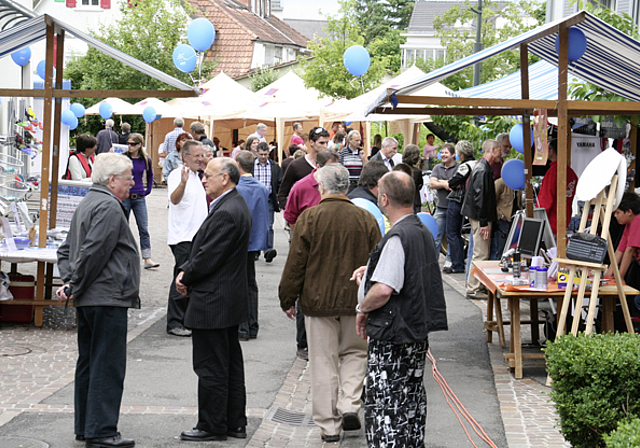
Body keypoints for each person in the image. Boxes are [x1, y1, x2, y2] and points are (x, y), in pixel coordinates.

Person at [279, 164, 381, 443]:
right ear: (346, 188)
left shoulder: (310, 218)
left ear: (321, 188)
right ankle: (349, 403)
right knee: (356, 354)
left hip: (317, 300)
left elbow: (296, 263)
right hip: (356, 300)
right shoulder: (365, 218)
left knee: (323, 361)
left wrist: (287, 298)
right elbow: (378, 260)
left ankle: (329, 426)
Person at [352, 171, 447, 448]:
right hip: (413, 331)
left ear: (383, 199)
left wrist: (362, 307)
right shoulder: (420, 229)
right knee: (410, 404)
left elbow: (384, 289)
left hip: (393, 333)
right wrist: (371, 269)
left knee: (387, 409)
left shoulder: (397, 236)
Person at [56, 153, 140, 448]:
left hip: (95, 296)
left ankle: (87, 426)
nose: (133, 182)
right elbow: (93, 252)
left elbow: (66, 250)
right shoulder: (107, 206)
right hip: (106, 296)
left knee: (90, 362)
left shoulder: (88, 202)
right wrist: (74, 283)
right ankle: (101, 430)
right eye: (129, 177)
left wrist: (70, 282)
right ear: (112, 179)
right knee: (106, 364)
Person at [176, 157, 251, 442]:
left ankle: (212, 424)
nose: (203, 179)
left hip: (215, 300)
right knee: (227, 363)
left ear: (226, 178)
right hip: (224, 298)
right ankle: (233, 421)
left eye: (208, 175)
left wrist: (186, 275)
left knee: (212, 366)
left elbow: (208, 255)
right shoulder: (230, 205)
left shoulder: (228, 210)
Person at [166, 140, 207, 337]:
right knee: (182, 277)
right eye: (197, 156)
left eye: (203, 155)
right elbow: (174, 199)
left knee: (191, 278)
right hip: (183, 237)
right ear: (185, 157)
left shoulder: (199, 176)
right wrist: (182, 183)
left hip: (196, 236)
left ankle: (186, 319)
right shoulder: (177, 175)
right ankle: (174, 322)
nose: (201, 159)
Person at [235, 150, 269, 340]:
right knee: (250, 282)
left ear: (238, 165)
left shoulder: (235, 188)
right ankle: (252, 325)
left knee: (240, 283)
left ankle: (242, 327)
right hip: (254, 241)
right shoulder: (261, 188)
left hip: (238, 240)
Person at [462, 139, 501, 299]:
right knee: (480, 253)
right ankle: (473, 288)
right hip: (480, 218)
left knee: (480, 251)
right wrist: (484, 222)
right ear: (492, 150)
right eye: (499, 150)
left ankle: (475, 286)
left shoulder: (483, 168)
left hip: (479, 216)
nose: (501, 153)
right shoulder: (483, 170)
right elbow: (480, 198)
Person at [121, 133, 158, 269]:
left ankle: (147, 257)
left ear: (139, 145)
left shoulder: (145, 159)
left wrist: (147, 190)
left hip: (139, 197)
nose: (130, 146)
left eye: (133, 144)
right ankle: (122, 256)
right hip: (125, 197)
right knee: (123, 227)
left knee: (143, 227)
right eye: (128, 143)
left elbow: (150, 175)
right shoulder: (124, 157)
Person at [278, 126, 330, 209]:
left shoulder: (330, 165)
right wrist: (293, 215)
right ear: (311, 142)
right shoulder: (296, 165)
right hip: (303, 217)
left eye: (327, 143)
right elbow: (282, 195)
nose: (325, 146)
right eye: (321, 143)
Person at [284, 149, 339, 229]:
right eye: (330, 168)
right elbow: (291, 217)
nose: (334, 171)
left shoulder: (339, 184)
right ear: (318, 167)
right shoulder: (300, 187)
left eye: (336, 167)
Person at [445, 140, 476, 274]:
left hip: (457, 201)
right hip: (468, 202)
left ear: (461, 155)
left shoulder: (465, 166)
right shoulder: (477, 164)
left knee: (452, 233)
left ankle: (457, 264)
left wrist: (453, 183)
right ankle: (459, 261)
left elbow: (453, 182)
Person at [537, 138, 578, 236]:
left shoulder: (553, 172)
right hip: (565, 219)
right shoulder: (572, 173)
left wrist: (538, 219)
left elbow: (545, 201)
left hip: (551, 223)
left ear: (552, 151)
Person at [429, 143, 459, 264]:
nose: (443, 155)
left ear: (453, 154)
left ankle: (449, 261)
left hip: (454, 207)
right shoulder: (437, 167)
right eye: (442, 153)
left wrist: (440, 182)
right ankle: (433, 263)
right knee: (436, 235)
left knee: (452, 236)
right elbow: (432, 184)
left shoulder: (459, 167)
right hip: (440, 207)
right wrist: (446, 184)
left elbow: (457, 185)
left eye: (446, 152)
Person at [254, 141, 283, 263]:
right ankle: (255, 250)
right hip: (254, 198)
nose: (263, 157)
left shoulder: (274, 167)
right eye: (261, 154)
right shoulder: (251, 166)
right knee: (254, 224)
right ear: (257, 153)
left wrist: (278, 199)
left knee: (269, 225)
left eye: (265, 154)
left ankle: (268, 250)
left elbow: (279, 182)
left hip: (269, 198)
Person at [605, 192, 640, 286]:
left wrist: (620, 277)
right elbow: (619, 251)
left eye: (617, 212)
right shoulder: (628, 225)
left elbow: (630, 250)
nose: (615, 216)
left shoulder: (638, 220)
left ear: (629, 212)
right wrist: (608, 275)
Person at [490, 177, 521, 260]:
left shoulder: (519, 184)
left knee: (510, 249)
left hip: (514, 220)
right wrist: (500, 215)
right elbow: (490, 202)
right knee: (499, 249)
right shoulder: (500, 183)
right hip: (502, 220)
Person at [402, 144, 425, 213]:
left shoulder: (399, 169)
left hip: (402, 201)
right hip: (415, 200)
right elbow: (420, 185)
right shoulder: (417, 172)